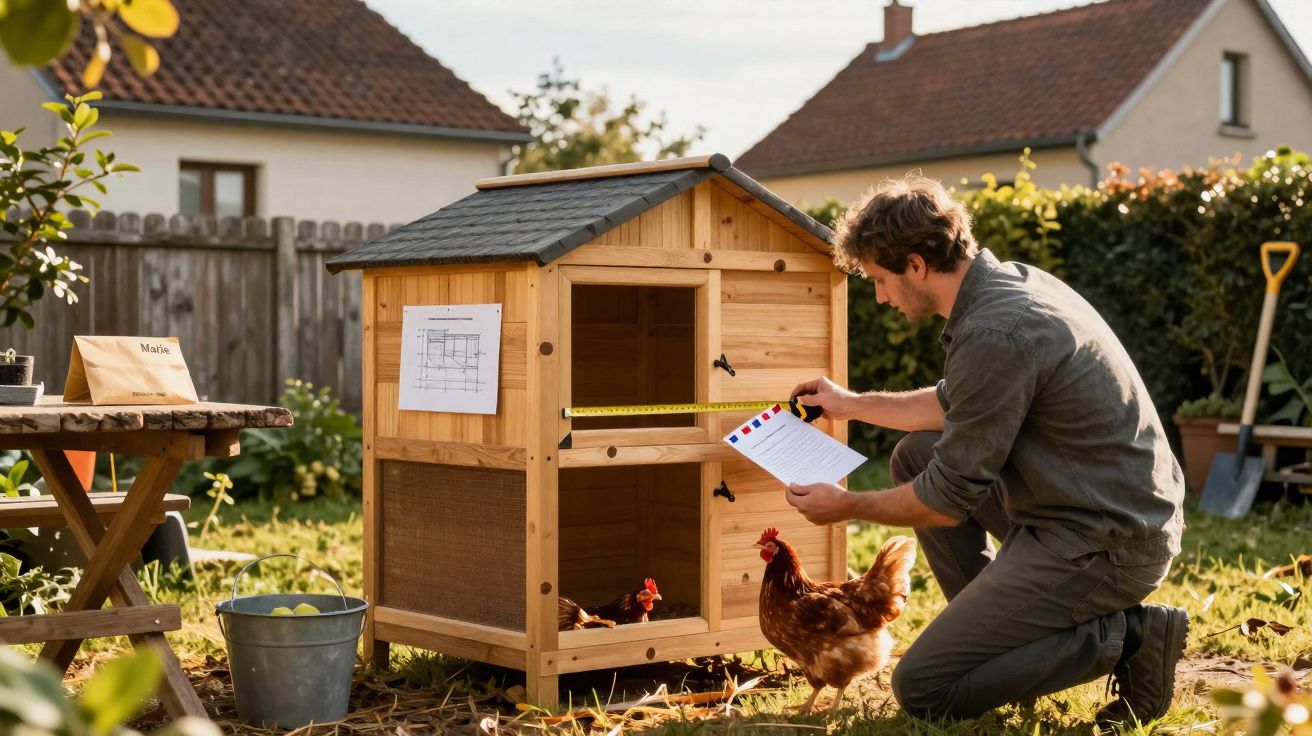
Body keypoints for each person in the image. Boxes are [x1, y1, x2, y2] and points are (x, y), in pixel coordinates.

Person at [787, 176, 1187, 728]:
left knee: (925, 687)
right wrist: (850, 404)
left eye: (880, 279)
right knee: (915, 455)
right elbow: (954, 406)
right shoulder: (1009, 287)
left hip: (1107, 541)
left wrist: (847, 505)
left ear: (916, 265)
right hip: (1087, 506)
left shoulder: (998, 330)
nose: (879, 296)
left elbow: (947, 501)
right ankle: (999, 641)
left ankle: (1131, 639)